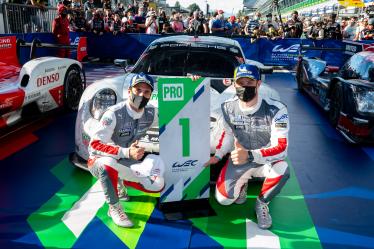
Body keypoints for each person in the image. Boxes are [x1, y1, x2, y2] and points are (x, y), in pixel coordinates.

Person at [207, 64, 290, 230]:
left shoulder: (277, 109)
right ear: (234, 84)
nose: (244, 86)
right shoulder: (228, 107)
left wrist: (251, 155)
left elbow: (282, 147)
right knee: (224, 200)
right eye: (240, 82)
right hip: (240, 161)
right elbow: (227, 134)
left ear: (258, 84)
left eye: (249, 82)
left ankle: (262, 203)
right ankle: (243, 181)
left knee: (283, 169)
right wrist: (219, 154)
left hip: (266, 161)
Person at [88, 73, 165, 228]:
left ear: (151, 95)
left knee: (158, 185)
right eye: (138, 90)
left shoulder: (151, 112)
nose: (142, 95)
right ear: (129, 91)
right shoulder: (113, 113)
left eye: (147, 92)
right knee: (106, 163)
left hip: (127, 161)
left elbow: (177, 113)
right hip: (99, 160)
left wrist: (190, 85)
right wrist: (126, 152)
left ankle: (119, 182)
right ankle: (114, 208)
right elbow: (94, 145)